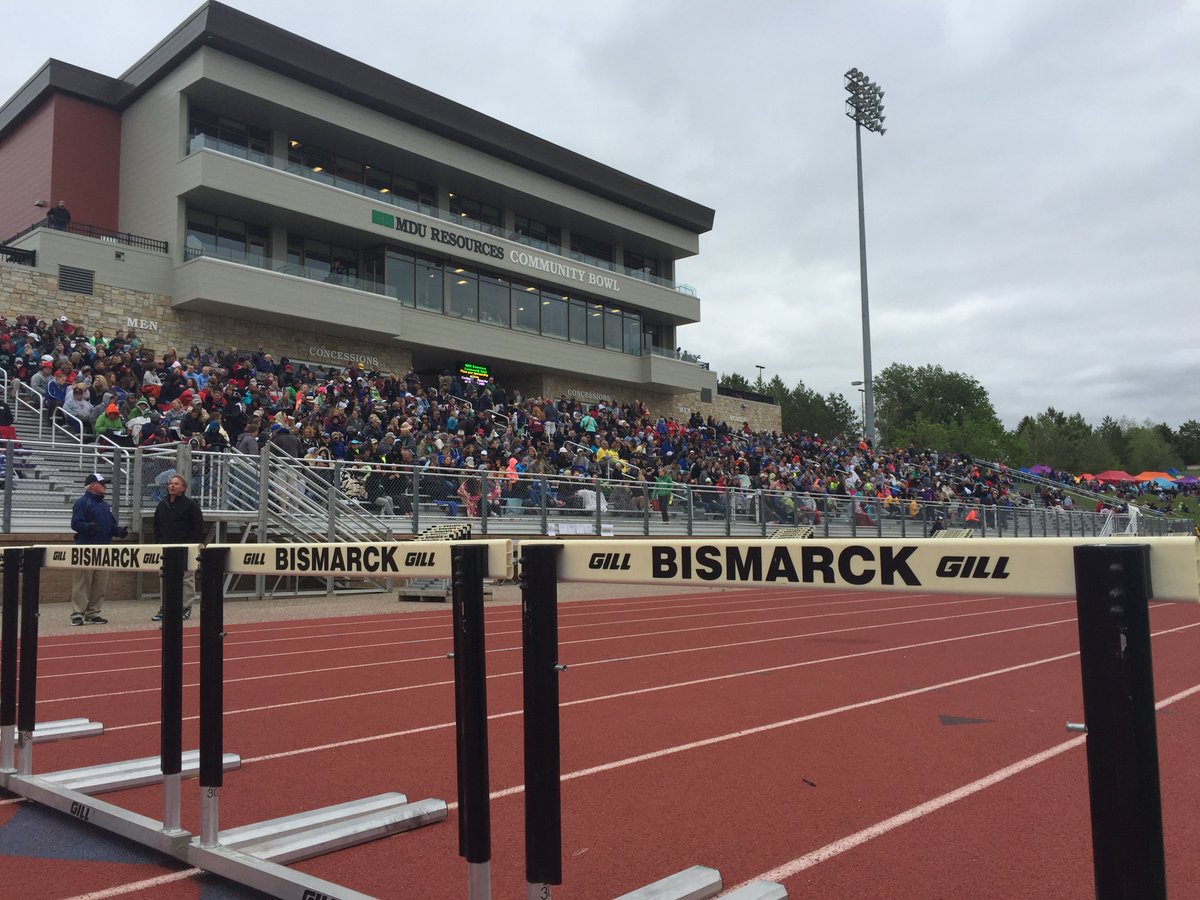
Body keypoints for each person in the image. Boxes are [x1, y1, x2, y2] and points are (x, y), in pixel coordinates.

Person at [70, 473, 128, 626]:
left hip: (103, 549)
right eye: (102, 484)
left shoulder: (104, 505)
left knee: (100, 583)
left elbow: (110, 524)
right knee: (82, 582)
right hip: (86, 548)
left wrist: (118, 531)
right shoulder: (82, 503)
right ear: (93, 486)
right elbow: (75, 524)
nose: (105, 486)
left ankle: (93, 612)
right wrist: (89, 527)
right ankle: (77, 613)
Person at [151, 474, 205, 621]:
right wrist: (158, 543)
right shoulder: (162, 505)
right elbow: (156, 526)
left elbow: (198, 526)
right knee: (165, 578)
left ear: (183, 488)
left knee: (186, 578)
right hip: (166, 548)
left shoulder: (190, 505)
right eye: (171, 483)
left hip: (185, 547)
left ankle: (185, 607)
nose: (172, 486)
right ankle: (165, 607)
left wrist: (192, 545)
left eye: (176, 484)